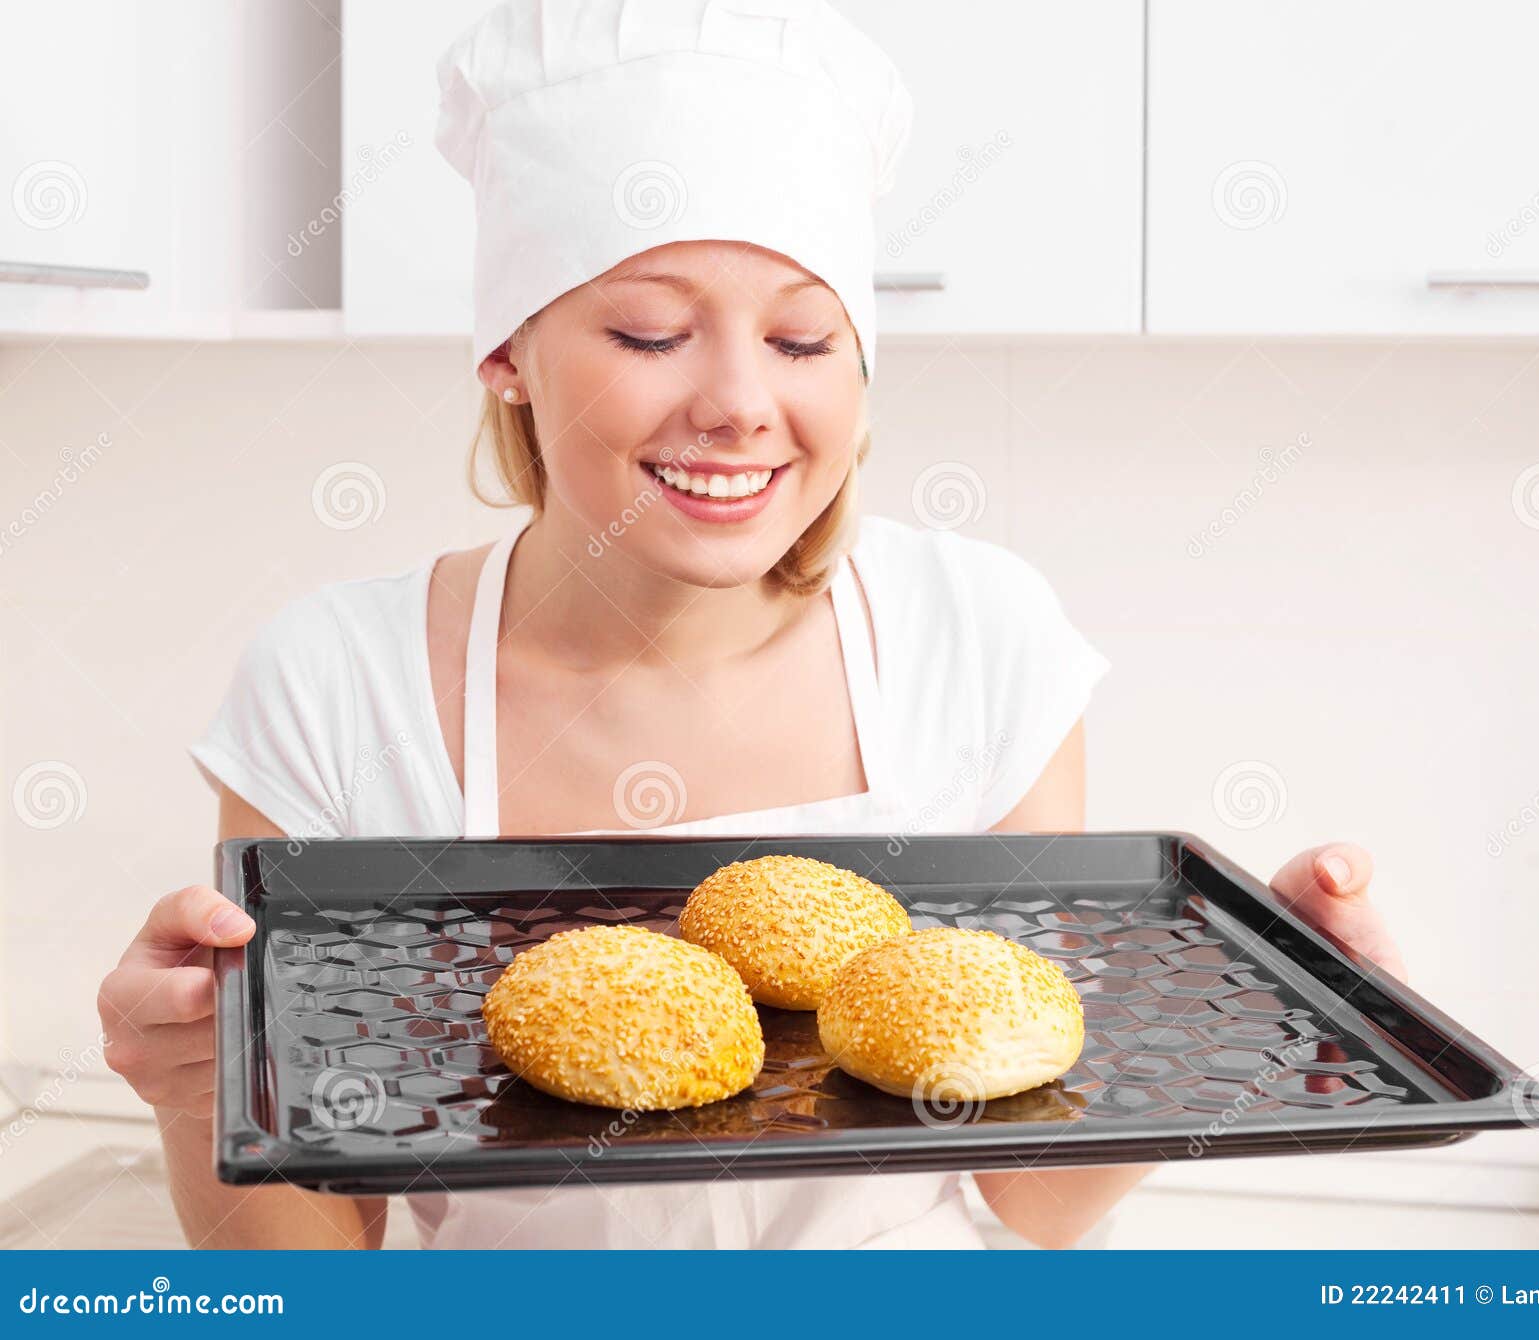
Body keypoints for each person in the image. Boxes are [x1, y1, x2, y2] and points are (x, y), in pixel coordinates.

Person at [96, 0, 1406, 1249]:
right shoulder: (338, 689)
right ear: (506, 350)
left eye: (801, 341)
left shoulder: (980, 641)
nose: (737, 404)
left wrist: (1249, 1017)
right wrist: (196, 1091)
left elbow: (1033, 1195)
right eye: (651, 330)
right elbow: (298, 1277)